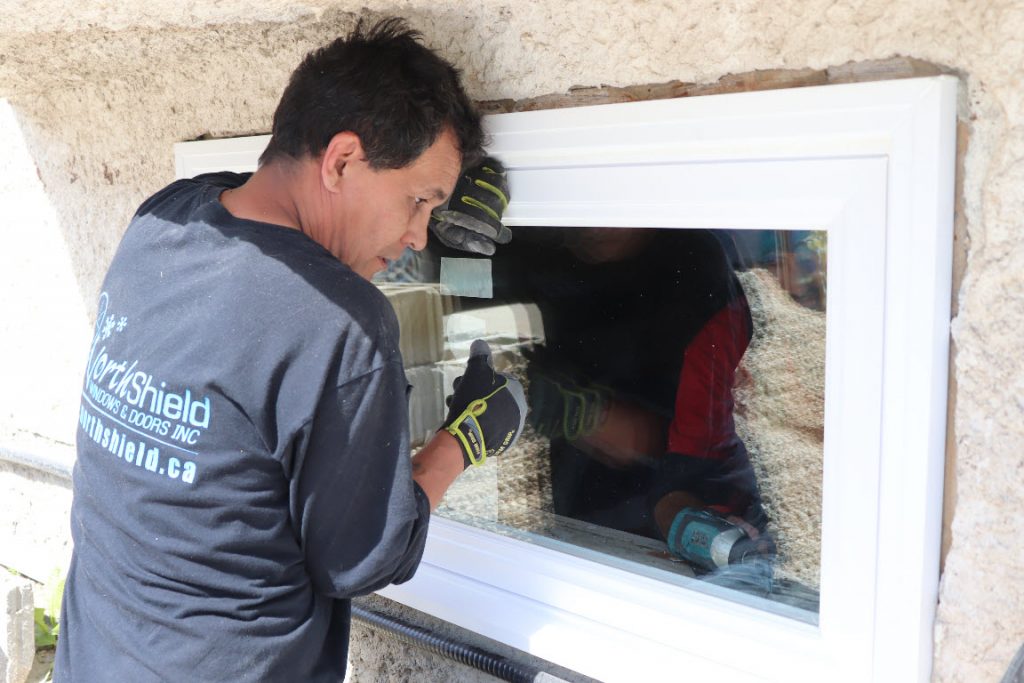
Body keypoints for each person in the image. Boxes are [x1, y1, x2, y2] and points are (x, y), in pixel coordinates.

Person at [55, 18, 525, 683]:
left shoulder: (165, 219)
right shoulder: (338, 324)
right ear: (339, 159)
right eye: (417, 201)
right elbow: (360, 559)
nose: (420, 234)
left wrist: (433, 189)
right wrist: (463, 441)